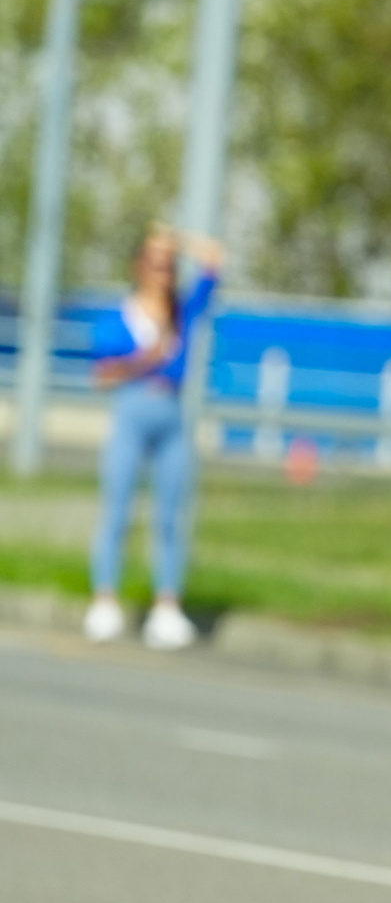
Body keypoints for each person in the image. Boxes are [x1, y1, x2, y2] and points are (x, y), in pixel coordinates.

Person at [84, 225, 222, 649]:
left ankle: (167, 607)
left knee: (170, 515)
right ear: (139, 267)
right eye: (155, 261)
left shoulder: (183, 310)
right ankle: (105, 599)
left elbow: (215, 261)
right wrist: (146, 358)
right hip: (132, 409)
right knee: (118, 508)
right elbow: (102, 376)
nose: (163, 270)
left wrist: (175, 239)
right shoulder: (120, 316)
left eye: (169, 264)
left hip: (172, 415)